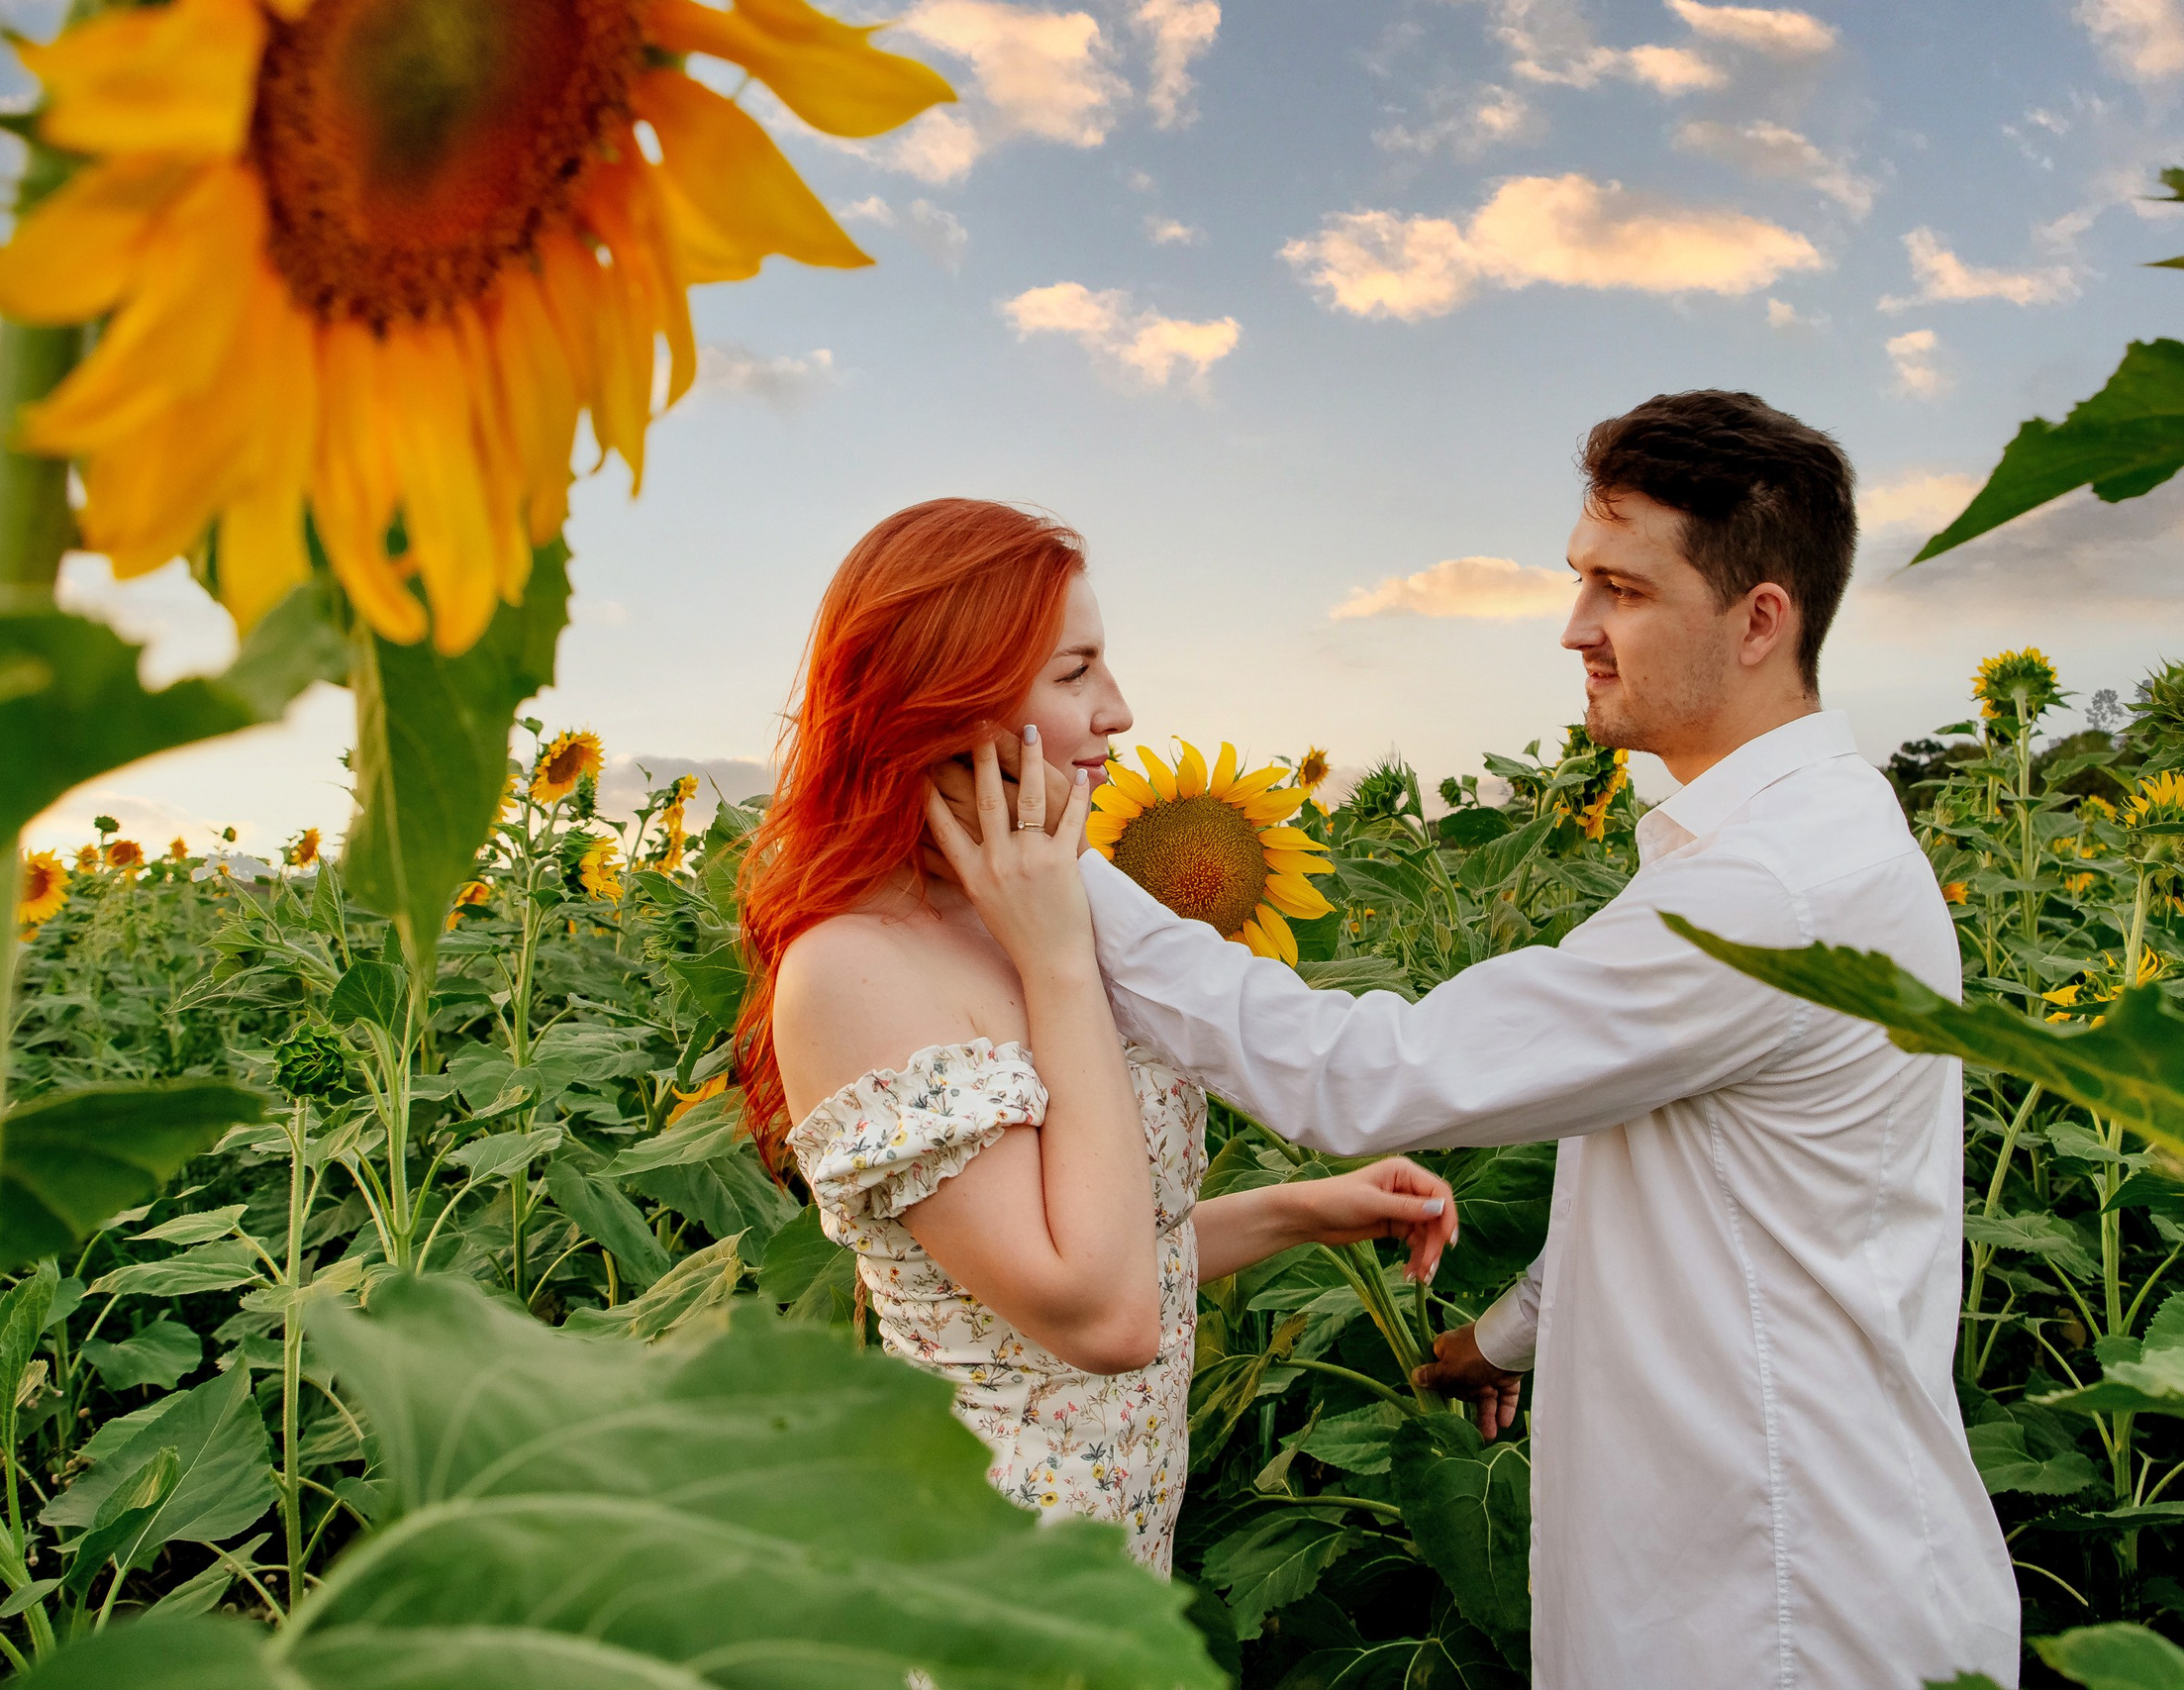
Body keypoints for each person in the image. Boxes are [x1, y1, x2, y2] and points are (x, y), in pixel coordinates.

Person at [935, 394, 2020, 1684]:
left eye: (1619, 588)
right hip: (1786, 1559)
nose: (1576, 629)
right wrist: (1497, 1339)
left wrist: (1065, 869)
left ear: (1758, 620)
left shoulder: (1768, 891)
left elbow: (1363, 1075)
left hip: (1780, 1607)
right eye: (1580, 581)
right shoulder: (1785, 847)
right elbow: (1721, 1178)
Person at [739, 496, 1462, 1574]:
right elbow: (1104, 1318)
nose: (1117, 711)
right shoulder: (854, 968)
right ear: (948, 696)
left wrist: (1304, 1211)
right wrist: (1060, 962)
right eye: (1074, 673)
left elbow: (1117, 1244)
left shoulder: (1023, 905)